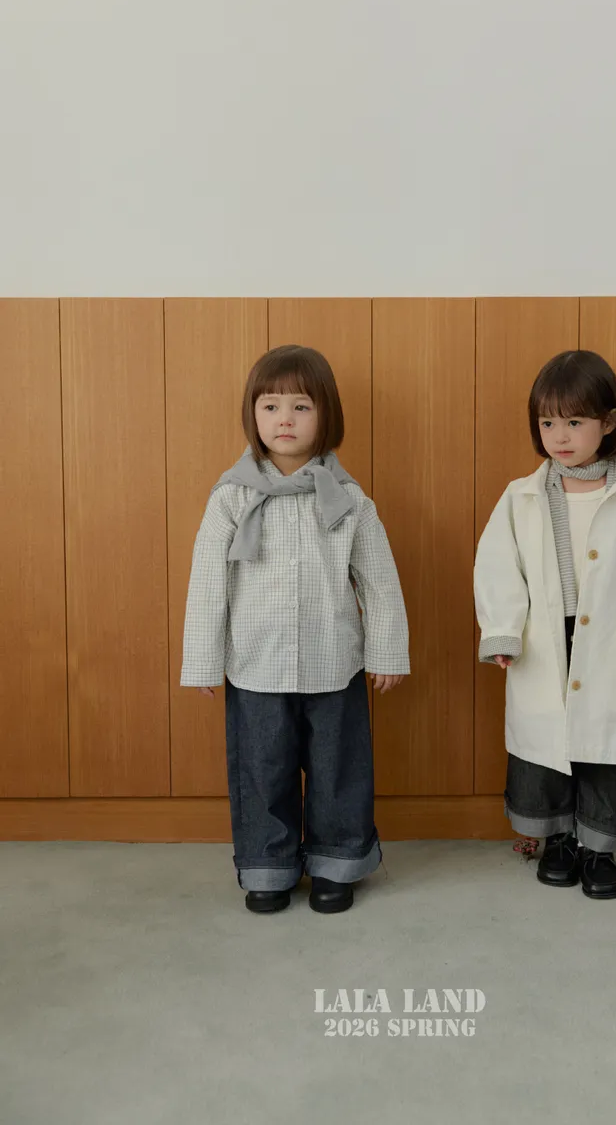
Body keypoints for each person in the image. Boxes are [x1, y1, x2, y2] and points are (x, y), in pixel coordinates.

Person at [180, 344, 409, 915]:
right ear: (253, 415)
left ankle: (337, 862)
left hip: (335, 664)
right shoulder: (231, 499)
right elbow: (207, 584)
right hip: (255, 666)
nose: (285, 419)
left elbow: (379, 582)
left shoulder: (349, 501)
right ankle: (267, 866)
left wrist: (387, 652)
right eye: (271, 406)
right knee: (262, 770)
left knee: (338, 770)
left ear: (326, 415)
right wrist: (203, 661)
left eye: (301, 406)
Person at [474, 350, 616, 899]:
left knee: (607, 748)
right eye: (548, 422)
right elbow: (498, 565)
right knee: (546, 745)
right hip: (546, 638)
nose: (560, 436)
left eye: (574, 421)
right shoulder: (521, 497)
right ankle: (557, 840)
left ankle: (599, 848)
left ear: (609, 422)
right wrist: (503, 629)